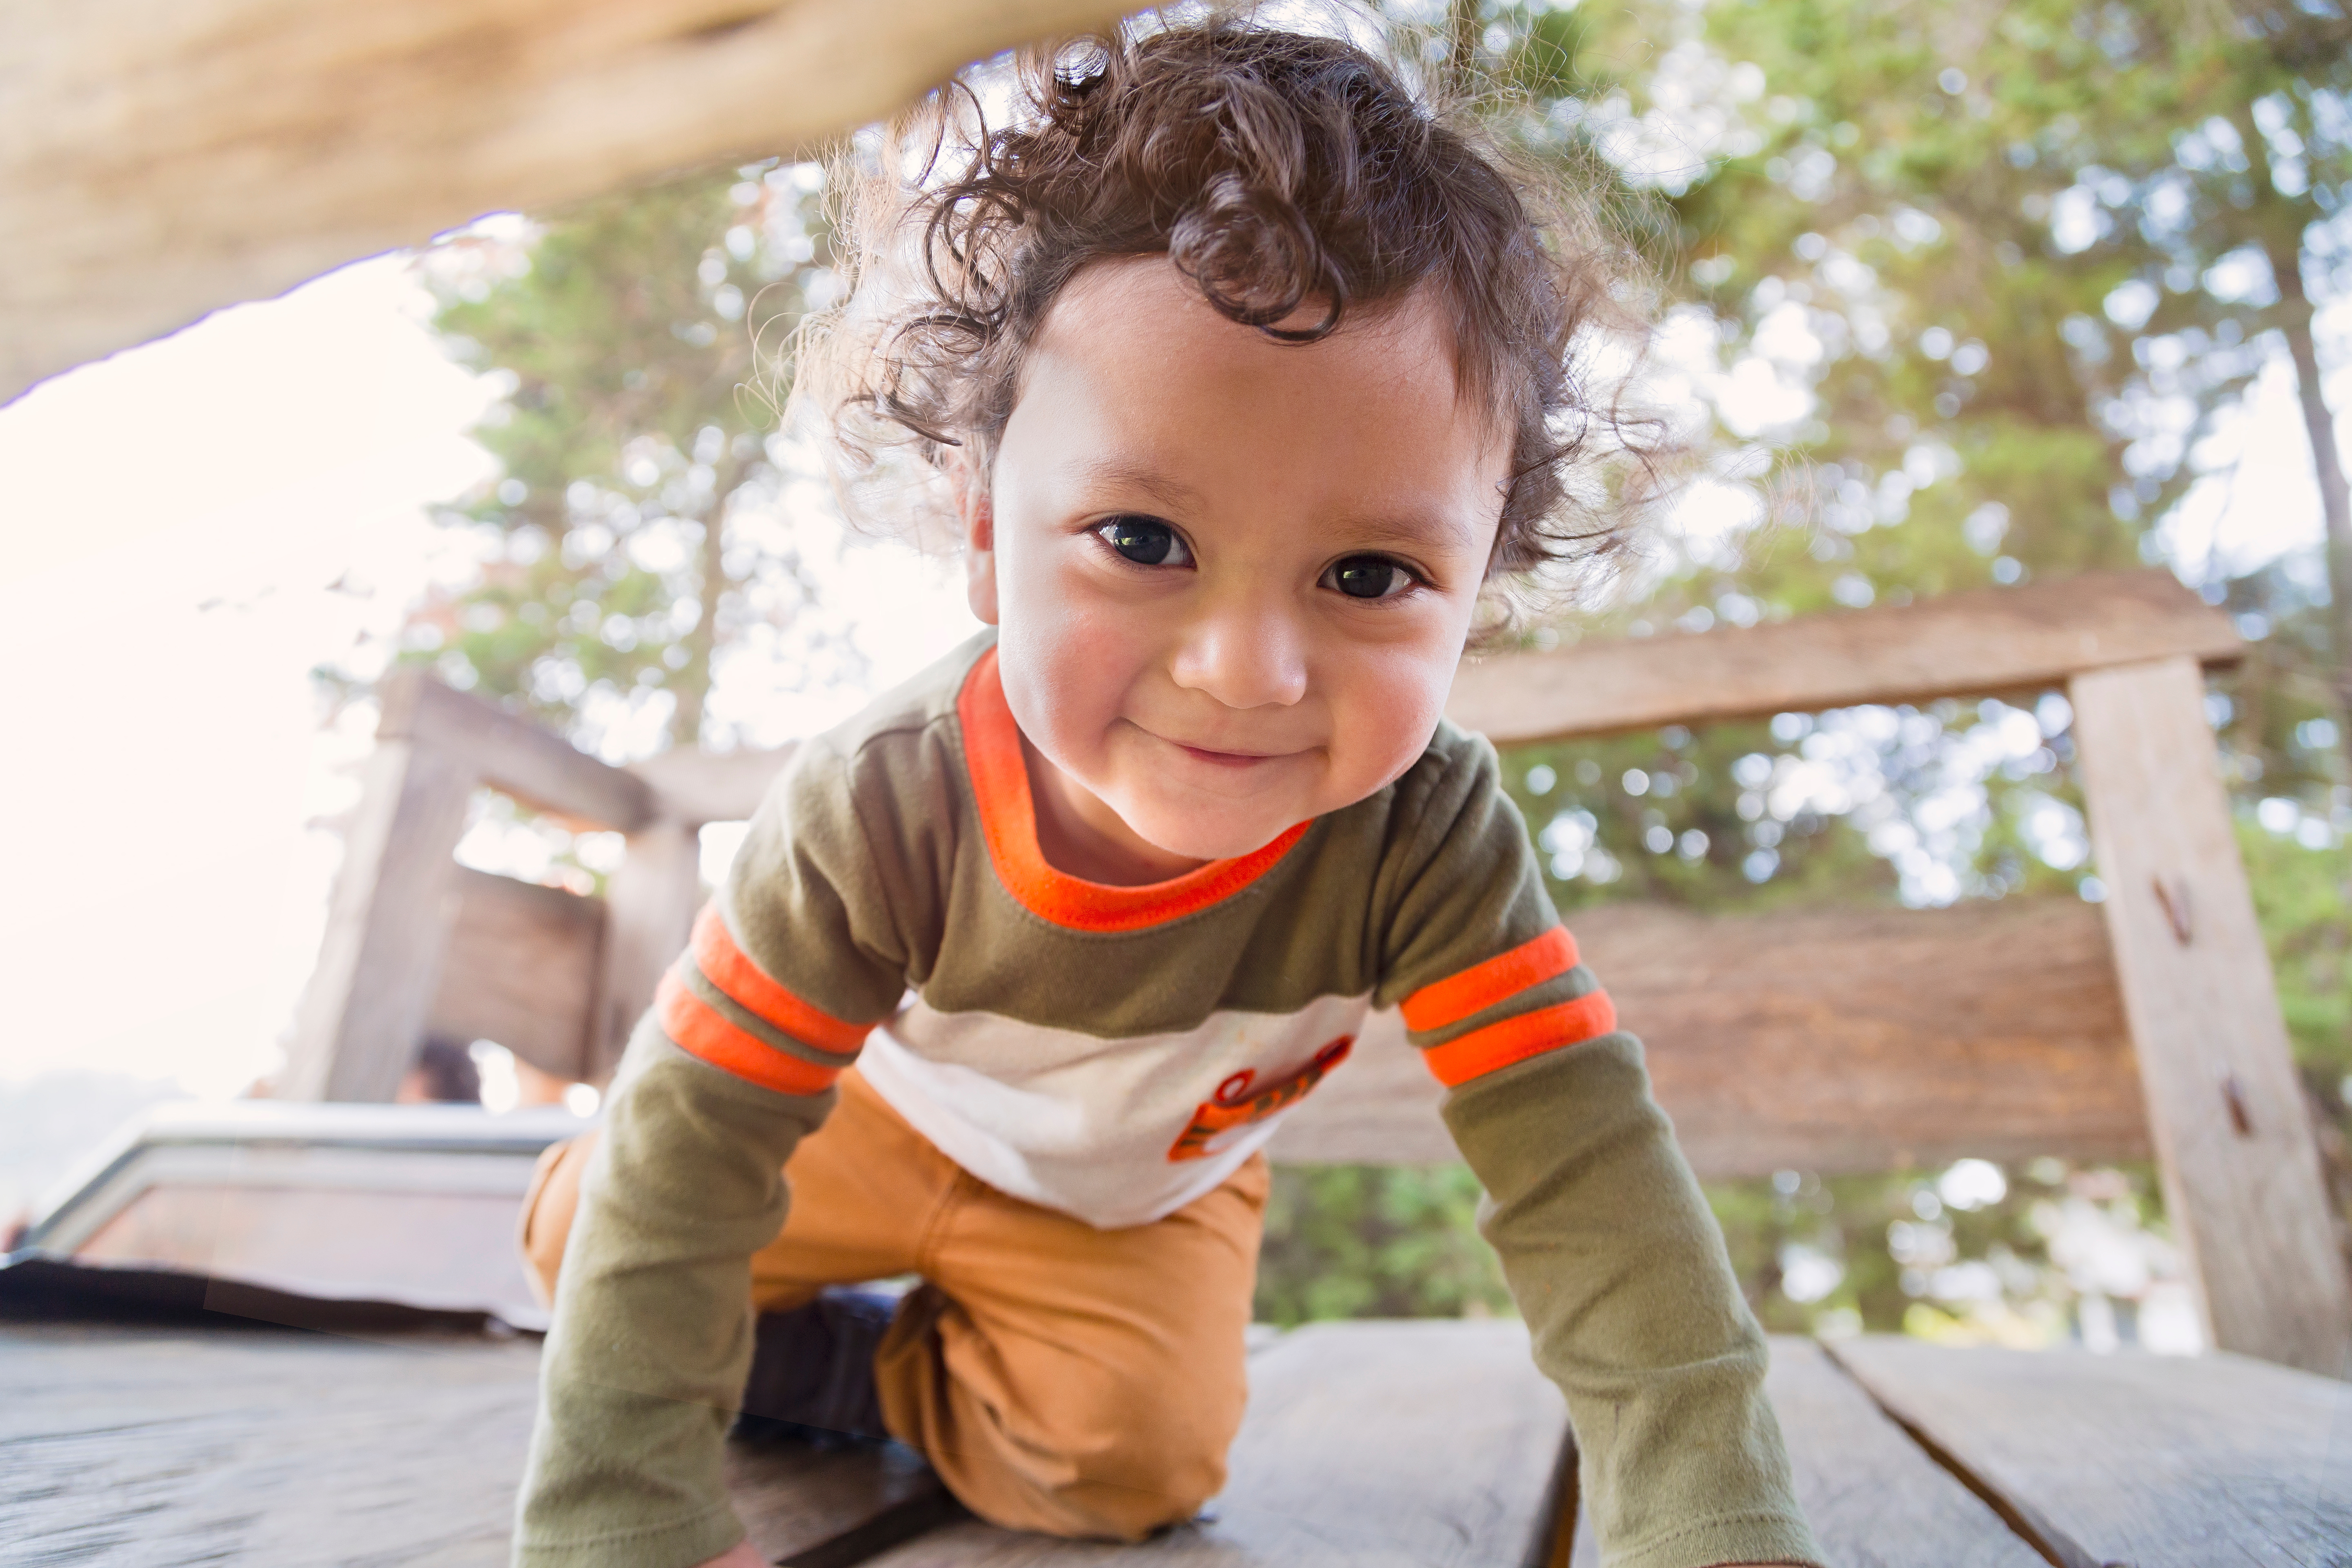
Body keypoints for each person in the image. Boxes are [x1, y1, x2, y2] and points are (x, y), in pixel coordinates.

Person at [512, 17, 1823, 1568]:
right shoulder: (881, 805)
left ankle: (881, 1375)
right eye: (1141, 540)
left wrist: (1717, 1534)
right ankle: (766, 1336)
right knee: (597, 1229)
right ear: (985, 534)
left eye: (1369, 574)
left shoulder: (1425, 838)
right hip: (865, 1122)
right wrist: (620, 1522)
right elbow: (700, 1136)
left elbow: (1590, 1180)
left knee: (1125, 1467)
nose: (1248, 671)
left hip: (1124, 1200)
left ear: (1480, 587)